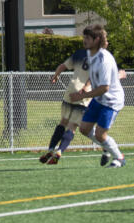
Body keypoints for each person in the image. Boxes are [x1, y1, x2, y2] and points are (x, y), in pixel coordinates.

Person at [68, 24, 126, 168]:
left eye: (88, 38)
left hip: (111, 101)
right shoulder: (90, 54)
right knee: (84, 129)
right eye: (84, 37)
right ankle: (106, 146)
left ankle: (119, 158)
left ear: (96, 40)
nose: (84, 40)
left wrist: (82, 96)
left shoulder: (104, 59)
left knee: (100, 134)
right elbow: (94, 77)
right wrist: (86, 86)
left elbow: (104, 88)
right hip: (99, 99)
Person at [39, 47, 92, 164]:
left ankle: (51, 149)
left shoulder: (79, 53)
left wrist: (56, 76)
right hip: (84, 95)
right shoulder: (101, 57)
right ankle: (59, 151)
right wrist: (86, 87)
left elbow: (62, 66)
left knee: (63, 122)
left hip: (71, 89)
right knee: (72, 127)